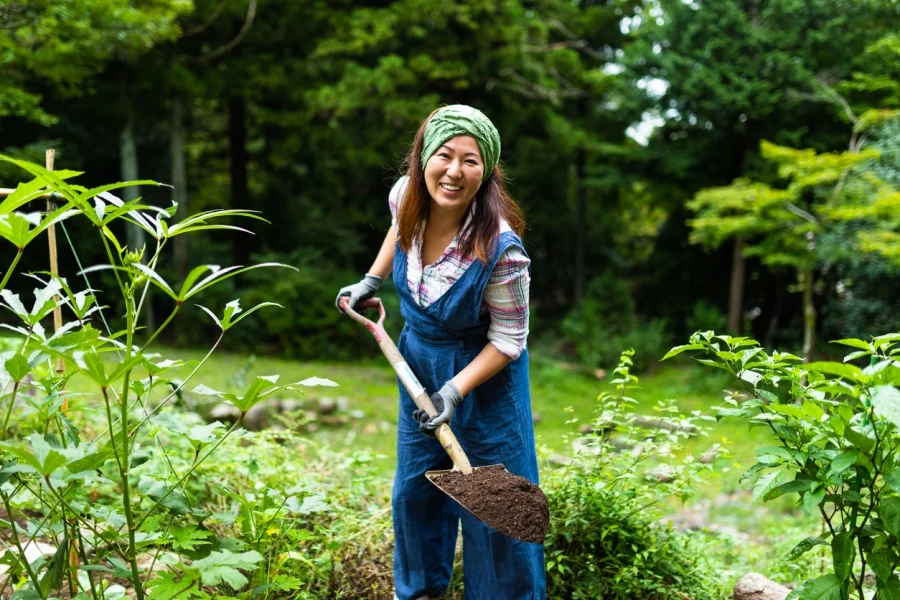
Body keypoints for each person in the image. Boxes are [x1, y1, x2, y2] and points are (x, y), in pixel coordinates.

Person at [336, 105, 545, 600]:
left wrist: (454, 389)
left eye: (470, 161)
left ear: (487, 171)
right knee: (414, 495)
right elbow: (398, 228)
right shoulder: (406, 194)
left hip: (485, 382)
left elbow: (510, 340)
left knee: (495, 514)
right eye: (445, 155)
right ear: (424, 157)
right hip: (418, 363)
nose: (454, 171)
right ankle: (420, 594)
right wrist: (372, 279)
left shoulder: (501, 250)